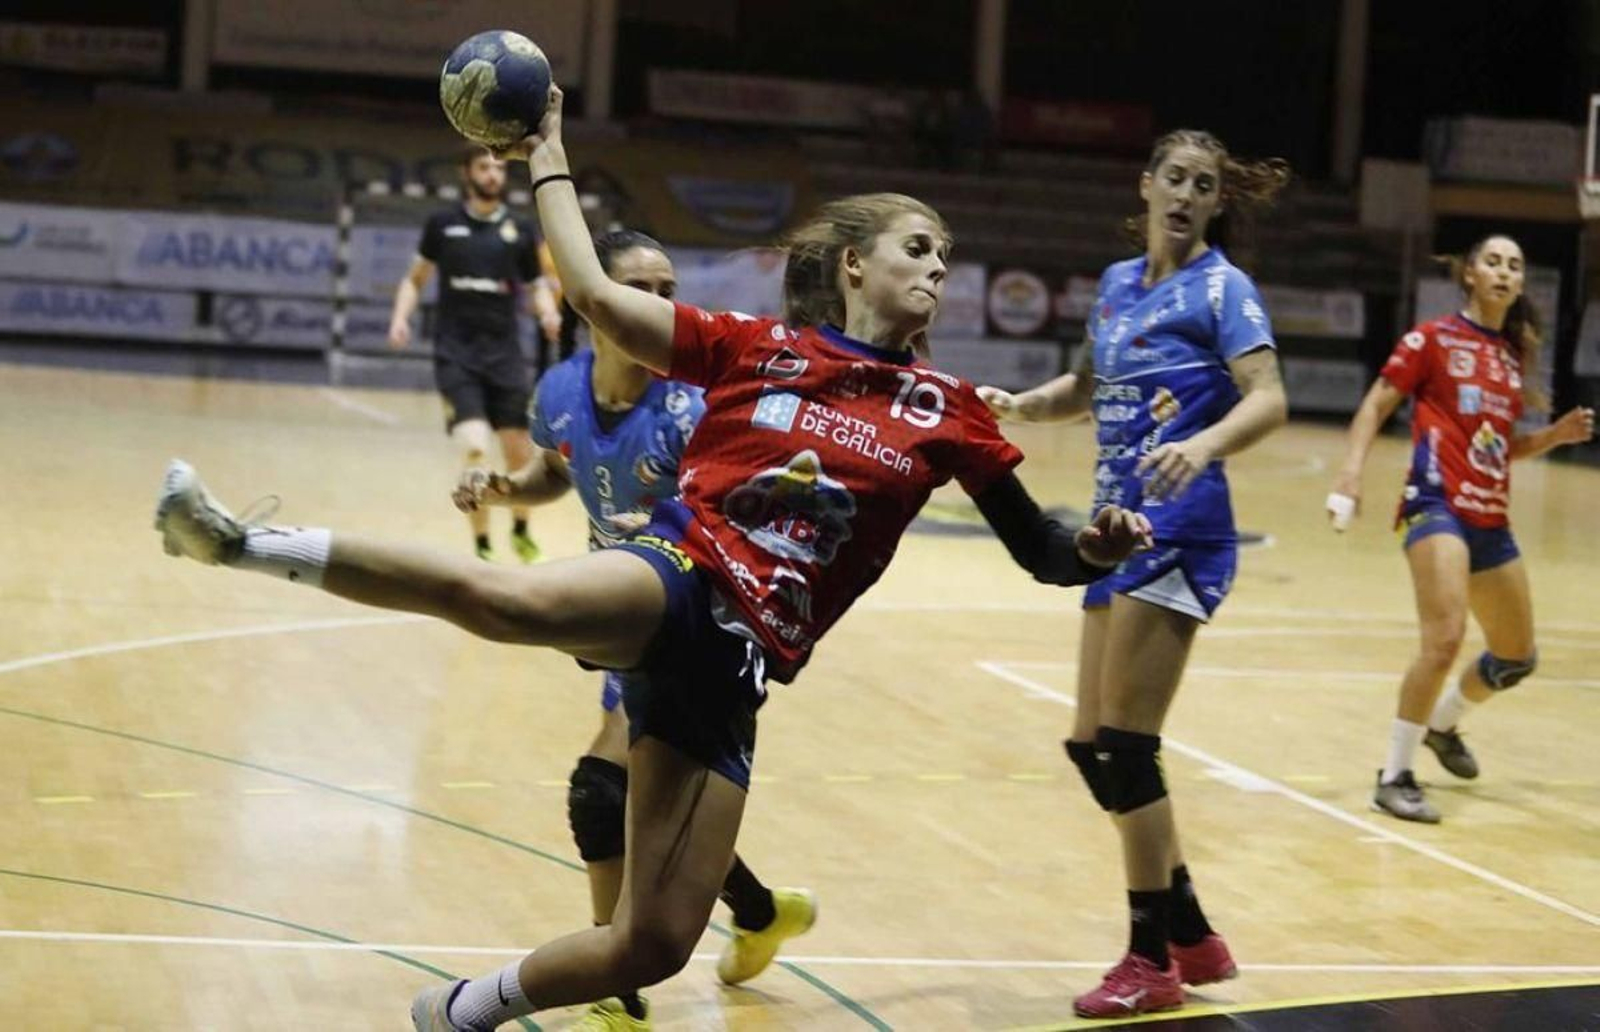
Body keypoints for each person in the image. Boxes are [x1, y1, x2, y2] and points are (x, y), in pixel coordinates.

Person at [154, 84, 1152, 1032]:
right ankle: (240, 540)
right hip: (679, 574)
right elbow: (589, 291)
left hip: (739, 669)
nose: (940, 268)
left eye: (945, 254)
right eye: (918, 249)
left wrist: (1090, 546)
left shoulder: (950, 410)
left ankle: (456, 1010)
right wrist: (547, 152)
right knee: (510, 601)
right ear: (854, 263)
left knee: (652, 944)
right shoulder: (750, 347)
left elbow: (1042, 551)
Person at [454, 228, 816, 1028]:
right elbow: (557, 470)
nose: (659, 306)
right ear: (595, 303)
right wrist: (502, 489)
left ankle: (613, 988)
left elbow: (752, 511)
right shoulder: (558, 390)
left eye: (666, 289)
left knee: (601, 790)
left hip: (704, 621)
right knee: (651, 802)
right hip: (620, 616)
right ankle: (758, 913)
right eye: (639, 290)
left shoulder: (695, 406)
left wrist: (670, 526)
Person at [980, 129, 1290, 1017]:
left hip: (1182, 533)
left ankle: (1152, 957)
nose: (1189, 195)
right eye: (1177, 178)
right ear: (1147, 184)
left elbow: (1268, 396)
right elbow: (1086, 386)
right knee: (1090, 745)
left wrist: (1200, 443)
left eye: (1206, 185)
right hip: (1118, 537)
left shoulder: (1225, 289)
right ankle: (1189, 926)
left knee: (1127, 746)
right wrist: (1023, 405)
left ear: (1216, 202)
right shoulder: (1119, 286)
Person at [1327, 234, 1595, 824]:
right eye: (1493, 261)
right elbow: (1376, 404)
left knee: (1516, 657)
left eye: (1515, 265)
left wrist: (1554, 436)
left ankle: (1443, 725)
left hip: (1489, 518)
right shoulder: (1432, 338)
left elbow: (1499, 449)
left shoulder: (1510, 358)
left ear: (1521, 284)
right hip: (1435, 504)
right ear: (1470, 274)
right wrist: (1350, 473)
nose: (1504, 271)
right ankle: (1394, 774)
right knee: (1445, 639)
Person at [387, 144, 545, 563]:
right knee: (475, 448)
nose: (493, 174)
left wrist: (548, 313)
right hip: (456, 356)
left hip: (506, 358)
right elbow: (415, 280)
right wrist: (400, 318)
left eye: (498, 167)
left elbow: (537, 286)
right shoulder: (443, 225)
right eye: (484, 167)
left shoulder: (520, 229)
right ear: (466, 173)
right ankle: (482, 545)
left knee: (519, 454)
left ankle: (521, 529)